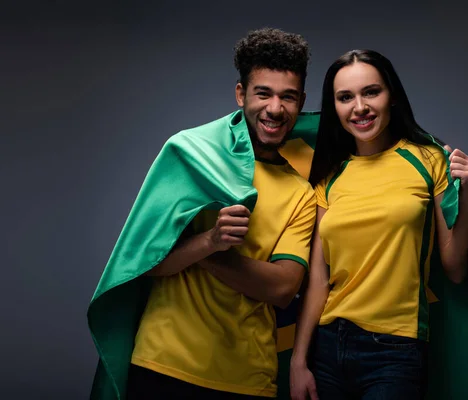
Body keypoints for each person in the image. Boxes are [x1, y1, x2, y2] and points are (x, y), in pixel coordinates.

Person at [87, 28, 317, 400]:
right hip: (162, 362)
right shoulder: (189, 156)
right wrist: (210, 241)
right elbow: (146, 263)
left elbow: (282, 288)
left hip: (246, 376)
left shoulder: (301, 192)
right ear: (241, 94)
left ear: (301, 101)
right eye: (263, 93)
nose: (275, 108)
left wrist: (202, 253)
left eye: (287, 97)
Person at [289, 49, 468, 400]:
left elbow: (454, 269)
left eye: (371, 92)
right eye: (345, 97)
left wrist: (463, 197)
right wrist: (299, 361)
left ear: (392, 96)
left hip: (395, 350)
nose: (359, 107)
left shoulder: (428, 159)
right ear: (335, 108)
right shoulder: (330, 175)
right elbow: (318, 277)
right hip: (328, 345)